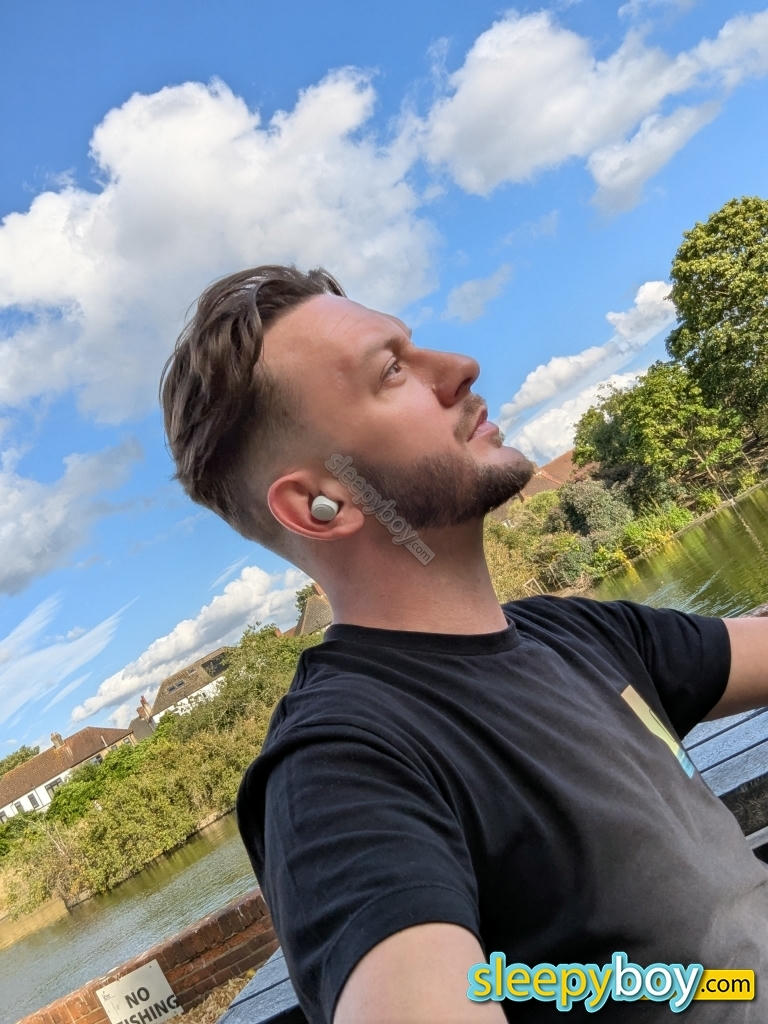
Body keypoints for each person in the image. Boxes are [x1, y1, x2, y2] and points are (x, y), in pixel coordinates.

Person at [160, 265, 768, 1023]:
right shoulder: (340, 769)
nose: (461, 367)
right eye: (392, 371)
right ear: (322, 502)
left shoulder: (582, 634)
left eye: (414, 347)